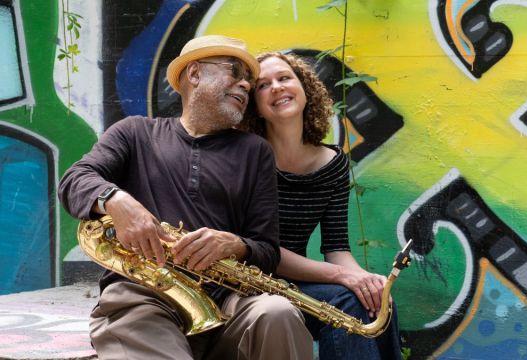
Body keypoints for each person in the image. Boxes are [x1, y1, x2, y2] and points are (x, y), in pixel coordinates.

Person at [58, 36, 313, 360]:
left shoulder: (255, 152)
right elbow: (73, 179)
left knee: (278, 313)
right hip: (143, 296)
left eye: (248, 81)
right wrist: (116, 201)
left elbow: (267, 250)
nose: (245, 85)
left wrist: (235, 244)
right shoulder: (134, 132)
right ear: (194, 74)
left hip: (226, 303)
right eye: (234, 71)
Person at [239, 52, 402, 360]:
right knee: (346, 300)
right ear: (254, 106)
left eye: (285, 78)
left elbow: (337, 248)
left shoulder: (335, 164)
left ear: (304, 89)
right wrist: (344, 279)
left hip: (301, 280)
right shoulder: (247, 159)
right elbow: (260, 248)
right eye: (263, 85)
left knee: (379, 303)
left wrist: (367, 281)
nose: (276, 87)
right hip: (250, 281)